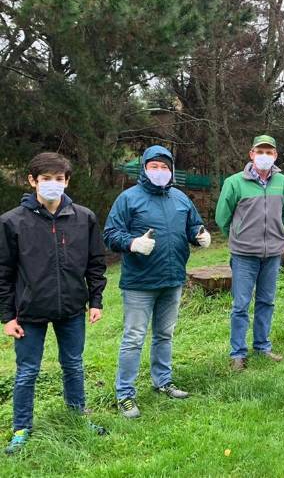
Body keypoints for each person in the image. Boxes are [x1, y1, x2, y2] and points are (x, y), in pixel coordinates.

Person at [0, 153, 108, 454]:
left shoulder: (83, 217)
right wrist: (7, 316)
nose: (52, 184)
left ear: (67, 181)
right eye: (45, 178)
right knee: (27, 371)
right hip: (29, 313)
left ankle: (77, 415)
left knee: (73, 365)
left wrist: (95, 300)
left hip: (72, 309)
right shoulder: (11, 222)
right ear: (32, 180)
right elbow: (3, 272)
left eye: (58, 179)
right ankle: (22, 427)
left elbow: (96, 263)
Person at [104, 145, 210, 418]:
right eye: (154, 167)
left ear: (171, 170)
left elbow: (193, 226)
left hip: (172, 278)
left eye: (165, 167)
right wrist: (132, 243)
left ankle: (162, 381)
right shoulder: (128, 199)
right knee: (134, 338)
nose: (160, 171)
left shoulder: (180, 198)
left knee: (165, 334)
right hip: (140, 282)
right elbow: (110, 234)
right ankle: (124, 394)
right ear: (144, 168)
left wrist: (199, 234)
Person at [215, 135, 284, 371]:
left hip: (272, 253)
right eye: (261, 151)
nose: (265, 156)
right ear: (251, 154)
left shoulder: (283, 182)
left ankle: (262, 346)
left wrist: (275, 236)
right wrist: (239, 235)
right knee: (240, 305)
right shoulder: (234, 182)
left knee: (266, 301)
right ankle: (238, 353)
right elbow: (222, 218)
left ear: (276, 156)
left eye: (270, 152)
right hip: (244, 254)